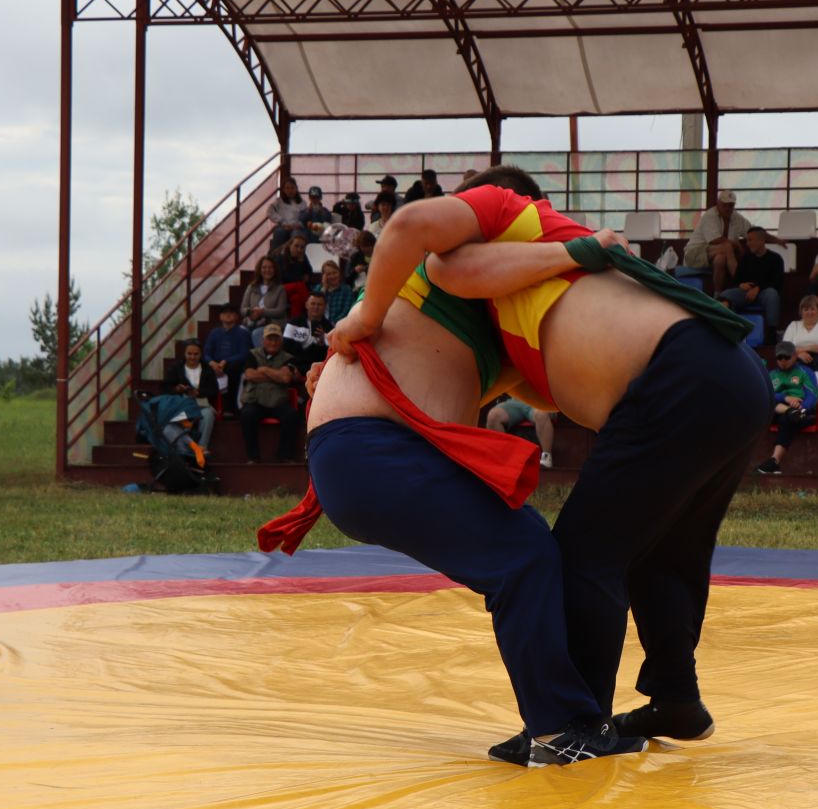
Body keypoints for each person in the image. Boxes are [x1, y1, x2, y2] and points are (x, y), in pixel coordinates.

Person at [326, 165, 769, 757]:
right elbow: (463, 291)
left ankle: (573, 727)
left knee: (585, 555)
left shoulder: (507, 213)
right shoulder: (526, 294)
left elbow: (426, 240)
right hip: (733, 375)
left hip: (677, 373)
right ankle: (675, 697)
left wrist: (365, 317)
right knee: (662, 551)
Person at [269, 218, 632, 766]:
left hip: (359, 456)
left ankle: (554, 718)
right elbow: (414, 230)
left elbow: (554, 388)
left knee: (527, 549)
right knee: (523, 556)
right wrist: (583, 250)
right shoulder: (445, 265)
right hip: (373, 450)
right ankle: (559, 727)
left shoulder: (483, 312)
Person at [238, 324, 303, 462]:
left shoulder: (289, 358)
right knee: (247, 415)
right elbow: (250, 375)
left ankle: (284, 456)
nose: (273, 342)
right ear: (263, 340)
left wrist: (264, 370)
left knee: (291, 416)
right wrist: (276, 375)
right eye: (269, 339)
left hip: (278, 401)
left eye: (276, 339)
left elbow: (286, 378)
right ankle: (253, 457)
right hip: (255, 400)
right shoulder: (252, 354)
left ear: (281, 341)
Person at [757, 340, 818, 475]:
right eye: (780, 357)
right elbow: (767, 393)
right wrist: (786, 398)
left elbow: (813, 395)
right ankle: (791, 412)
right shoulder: (772, 375)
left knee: (788, 420)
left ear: (795, 356)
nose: (783, 361)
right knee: (765, 405)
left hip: (804, 411)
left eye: (787, 357)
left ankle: (774, 460)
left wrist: (802, 407)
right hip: (778, 410)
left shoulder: (805, 372)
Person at [717, 225, 784, 334]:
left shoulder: (775, 259)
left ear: (761, 240)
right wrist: (741, 285)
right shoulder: (746, 259)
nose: (747, 244)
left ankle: (771, 333)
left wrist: (758, 288)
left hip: (764, 292)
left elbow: (778, 283)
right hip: (745, 293)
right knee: (725, 295)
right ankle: (731, 329)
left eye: (750, 240)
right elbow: (737, 279)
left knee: (772, 294)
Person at [685, 189, 752, 293]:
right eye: (724, 205)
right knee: (727, 247)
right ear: (718, 204)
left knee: (720, 259)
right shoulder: (710, 215)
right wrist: (736, 244)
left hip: (714, 255)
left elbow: (753, 232)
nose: (727, 208)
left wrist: (776, 240)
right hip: (694, 253)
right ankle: (740, 283)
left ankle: (718, 294)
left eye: (731, 205)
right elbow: (714, 239)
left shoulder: (736, 217)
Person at [782, 294, 818, 391]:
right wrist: (798, 354)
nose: (809, 312)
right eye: (806, 309)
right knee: (789, 379)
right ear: (801, 312)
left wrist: (801, 349)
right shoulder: (793, 325)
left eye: (812, 309)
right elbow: (784, 347)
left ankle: (808, 404)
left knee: (817, 378)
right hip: (797, 365)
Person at [484, 395, 557, 469]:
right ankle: (502, 457)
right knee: (493, 416)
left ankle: (546, 457)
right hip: (516, 400)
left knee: (541, 415)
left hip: (540, 401)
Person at [203, 306, 252, 395]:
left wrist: (226, 361)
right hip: (216, 364)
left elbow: (244, 354)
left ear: (237, 316)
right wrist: (212, 363)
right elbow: (206, 353)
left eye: (231, 312)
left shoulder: (243, 333)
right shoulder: (214, 332)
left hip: (233, 365)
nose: (228, 315)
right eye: (225, 312)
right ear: (220, 316)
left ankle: (230, 404)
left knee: (235, 366)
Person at [239, 254, 289, 329]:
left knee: (257, 333)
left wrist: (262, 312)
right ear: (259, 270)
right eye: (264, 267)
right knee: (241, 332)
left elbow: (280, 311)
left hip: (272, 324)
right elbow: (243, 309)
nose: (267, 270)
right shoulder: (251, 287)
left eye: (270, 267)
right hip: (252, 322)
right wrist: (251, 312)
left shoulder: (280, 289)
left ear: (274, 270)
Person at [312, 258, 356, 322]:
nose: (332, 276)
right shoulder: (318, 288)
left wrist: (331, 326)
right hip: (319, 324)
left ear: (339, 273)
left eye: (334, 272)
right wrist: (324, 289)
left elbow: (347, 312)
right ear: (323, 276)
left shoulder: (346, 290)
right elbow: (314, 309)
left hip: (339, 325)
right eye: (328, 274)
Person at [269, 174, 307, 245]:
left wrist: (297, 225)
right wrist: (281, 221)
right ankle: (276, 254)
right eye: (287, 188)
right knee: (279, 232)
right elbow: (270, 212)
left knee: (296, 236)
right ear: (283, 190)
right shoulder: (279, 202)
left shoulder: (302, 203)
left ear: (296, 189)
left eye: (292, 188)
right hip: (283, 226)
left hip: (297, 227)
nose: (290, 190)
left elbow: (304, 218)